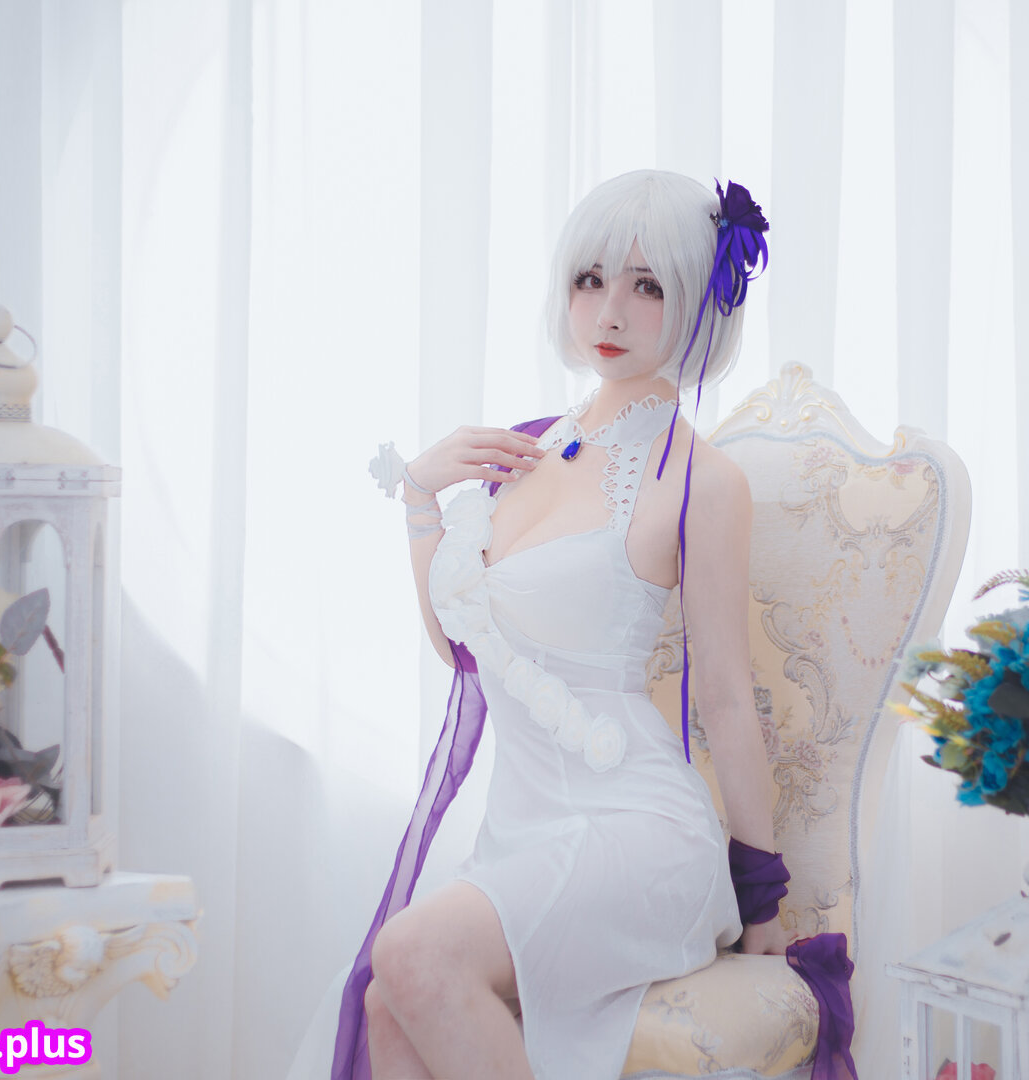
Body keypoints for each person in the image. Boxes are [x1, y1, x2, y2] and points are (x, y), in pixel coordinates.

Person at [331, 169, 795, 1080]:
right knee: (391, 1000)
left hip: (641, 833)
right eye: (590, 279)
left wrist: (763, 898)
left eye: (647, 286)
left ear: (700, 300)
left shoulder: (703, 482)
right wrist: (420, 499)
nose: (609, 312)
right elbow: (462, 648)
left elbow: (727, 701)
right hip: (527, 830)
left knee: (412, 955)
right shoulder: (527, 445)